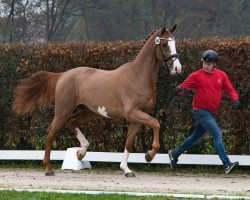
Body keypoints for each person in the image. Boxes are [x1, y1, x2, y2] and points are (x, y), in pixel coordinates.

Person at [168, 50, 242, 174]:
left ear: (215, 64)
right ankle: (227, 164)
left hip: (210, 113)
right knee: (217, 134)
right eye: (204, 63)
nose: (206, 66)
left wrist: (235, 99)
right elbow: (184, 86)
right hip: (200, 111)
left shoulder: (221, 75)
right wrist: (177, 90)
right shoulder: (196, 75)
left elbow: (229, 89)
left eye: (209, 63)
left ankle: (174, 153)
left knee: (194, 138)